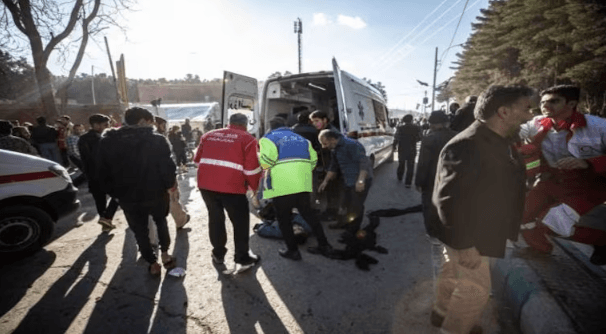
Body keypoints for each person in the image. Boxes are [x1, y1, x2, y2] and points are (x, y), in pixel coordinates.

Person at [431, 85, 533, 334]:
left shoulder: (499, 139)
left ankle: (441, 313)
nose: (531, 115)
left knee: (451, 271)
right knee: (475, 292)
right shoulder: (468, 144)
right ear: (504, 111)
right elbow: (448, 200)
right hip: (468, 236)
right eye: (527, 108)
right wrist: (465, 244)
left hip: (478, 230)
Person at [518, 85, 606, 265]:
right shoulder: (536, 124)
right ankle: (539, 249)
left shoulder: (598, 126)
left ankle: (602, 240)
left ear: (572, 103)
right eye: (543, 102)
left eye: (554, 101)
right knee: (520, 214)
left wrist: (588, 162)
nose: (545, 106)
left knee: (552, 221)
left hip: (587, 186)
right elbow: (510, 132)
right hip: (551, 180)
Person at [97, 107, 177, 276]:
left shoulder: (108, 140)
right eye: (150, 121)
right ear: (142, 121)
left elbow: (103, 172)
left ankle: (152, 262)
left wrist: (115, 193)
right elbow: (167, 168)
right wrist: (170, 185)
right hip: (156, 192)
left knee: (139, 230)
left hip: (127, 196)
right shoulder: (157, 140)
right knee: (161, 222)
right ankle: (165, 253)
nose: (152, 124)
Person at [259, 117, 335, 261]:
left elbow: (266, 162)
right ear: (286, 126)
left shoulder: (268, 138)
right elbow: (313, 160)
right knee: (309, 215)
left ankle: (292, 251)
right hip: (302, 183)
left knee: (284, 219)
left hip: (282, 185)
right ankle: (324, 245)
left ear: (271, 127)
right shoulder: (302, 139)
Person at [194, 113, 262, 270]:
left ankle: (218, 254)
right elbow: (252, 170)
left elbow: (197, 161)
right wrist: (254, 189)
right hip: (233, 187)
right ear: (246, 125)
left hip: (206, 186)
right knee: (240, 222)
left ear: (228, 123)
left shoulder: (208, 135)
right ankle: (242, 258)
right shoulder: (248, 139)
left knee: (215, 219)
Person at [318, 129, 373, 233]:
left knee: (356, 206)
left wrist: (361, 181)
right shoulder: (335, 149)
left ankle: (353, 231)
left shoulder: (352, 145)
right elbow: (333, 167)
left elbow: (364, 163)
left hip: (360, 180)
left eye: (325, 143)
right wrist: (325, 181)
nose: (323, 147)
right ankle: (343, 223)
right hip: (348, 180)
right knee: (344, 204)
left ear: (333, 139)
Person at [415, 111, 457, 240]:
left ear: (431, 124)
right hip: (452, 178)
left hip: (432, 180)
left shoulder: (429, 139)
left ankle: (432, 232)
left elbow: (423, 163)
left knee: (430, 205)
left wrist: (419, 182)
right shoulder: (457, 136)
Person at [78, 114, 119, 232]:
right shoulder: (101, 138)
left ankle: (105, 222)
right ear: (96, 125)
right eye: (106, 125)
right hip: (105, 174)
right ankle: (107, 217)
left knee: (100, 200)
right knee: (118, 195)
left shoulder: (83, 138)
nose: (108, 126)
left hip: (92, 175)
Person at [155, 116, 190, 230]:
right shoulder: (158, 138)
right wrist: (172, 179)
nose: (165, 127)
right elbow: (166, 160)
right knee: (173, 198)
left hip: (150, 177)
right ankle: (181, 220)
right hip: (164, 175)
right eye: (163, 125)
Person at [310, 110, 341, 220]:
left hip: (334, 167)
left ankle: (333, 213)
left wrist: (330, 171)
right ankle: (331, 211)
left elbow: (335, 154)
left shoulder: (331, 132)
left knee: (333, 190)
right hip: (329, 166)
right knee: (330, 190)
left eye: (317, 121)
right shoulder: (323, 131)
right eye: (313, 121)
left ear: (325, 120)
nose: (314, 124)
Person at [394, 114, 421, 187]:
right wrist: (414, 140)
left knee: (401, 164)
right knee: (410, 166)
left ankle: (400, 177)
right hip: (412, 148)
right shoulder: (417, 128)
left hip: (402, 148)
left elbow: (396, 138)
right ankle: (408, 183)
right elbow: (420, 137)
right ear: (412, 120)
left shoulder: (400, 128)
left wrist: (394, 146)